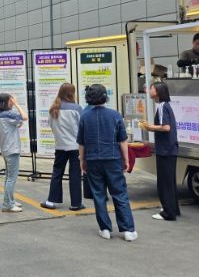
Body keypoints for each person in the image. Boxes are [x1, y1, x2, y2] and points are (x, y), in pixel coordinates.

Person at [78, 84, 137, 242]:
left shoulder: (85, 117)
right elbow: (122, 140)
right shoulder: (115, 115)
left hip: (93, 160)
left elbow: (81, 143)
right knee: (119, 193)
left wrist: (82, 160)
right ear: (105, 97)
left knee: (99, 194)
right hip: (113, 159)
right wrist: (126, 159)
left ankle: (105, 229)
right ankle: (128, 230)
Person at [140, 82, 180, 221]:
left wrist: (150, 127)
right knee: (170, 181)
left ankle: (168, 213)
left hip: (165, 149)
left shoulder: (162, 106)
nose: (149, 90)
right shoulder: (165, 106)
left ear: (158, 92)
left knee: (164, 182)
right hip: (170, 148)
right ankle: (173, 208)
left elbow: (166, 127)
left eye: (151, 88)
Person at [41, 83, 84, 211]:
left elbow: (51, 125)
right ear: (72, 93)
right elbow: (82, 127)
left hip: (60, 146)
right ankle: (76, 204)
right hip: (75, 147)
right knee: (75, 174)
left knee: (57, 172)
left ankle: (51, 201)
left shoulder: (53, 109)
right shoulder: (77, 109)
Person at [0, 93, 27, 213]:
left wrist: (18, 122)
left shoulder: (0, 115)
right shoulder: (8, 114)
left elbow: (16, 123)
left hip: (6, 149)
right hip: (12, 150)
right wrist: (17, 104)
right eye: (10, 101)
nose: (11, 103)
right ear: (7, 102)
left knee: (9, 177)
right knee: (11, 178)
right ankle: (7, 204)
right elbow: (25, 117)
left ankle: (10, 200)